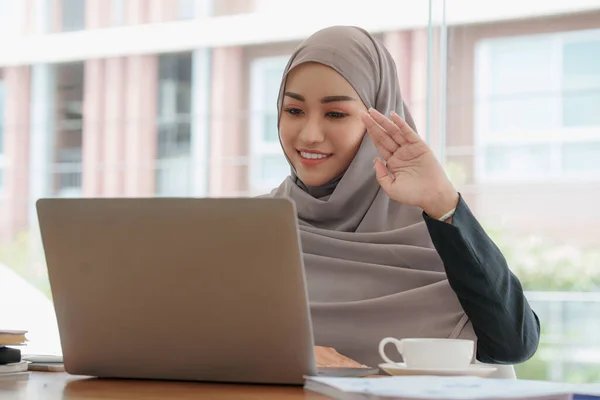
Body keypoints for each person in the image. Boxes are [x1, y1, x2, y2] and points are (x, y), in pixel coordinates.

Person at [264, 25, 540, 370]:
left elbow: (512, 344)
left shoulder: (436, 229)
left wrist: (443, 201)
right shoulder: (256, 228)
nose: (309, 134)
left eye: (336, 114)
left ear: (379, 117)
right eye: (294, 111)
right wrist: (290, 357)